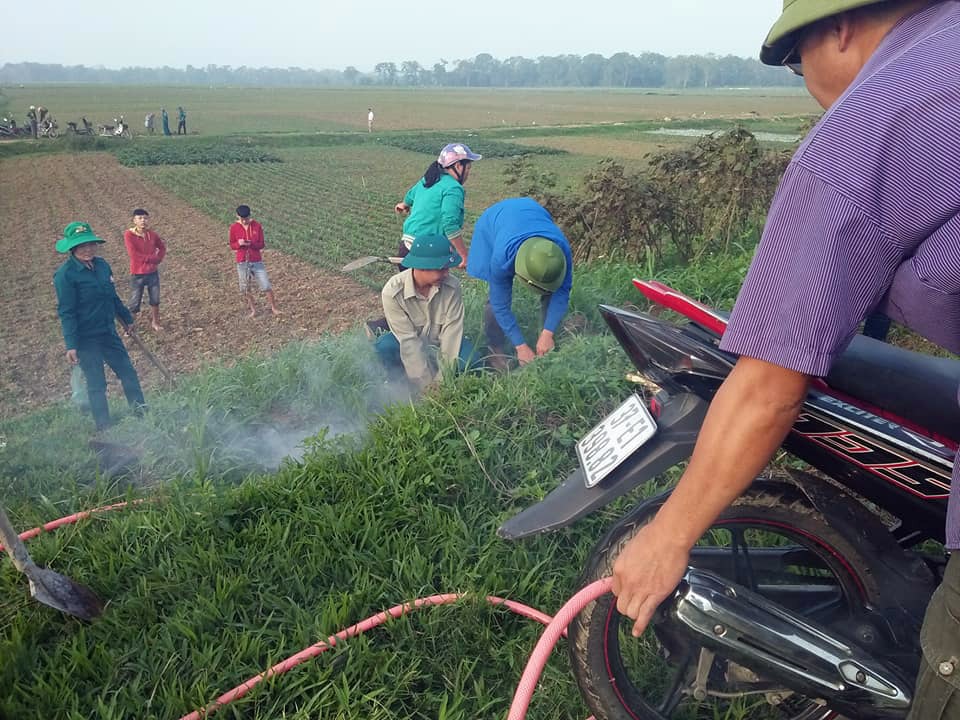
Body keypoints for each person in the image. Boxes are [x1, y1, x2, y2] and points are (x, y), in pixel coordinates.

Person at [609, 3, 960, 718]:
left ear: (837, 28)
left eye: (797, 64)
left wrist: (667, 538)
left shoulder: (863, 130)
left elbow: (770, 384)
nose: (807, 85)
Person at [53, 221, 146, 432]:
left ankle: (141, 413)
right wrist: (71, 344)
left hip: (108, 332)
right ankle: (104, 426)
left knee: (128, 373)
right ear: (72, 248)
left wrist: (127, 319)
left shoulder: (102, 266)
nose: (87, 249)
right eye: (82, 246)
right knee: (97, 384)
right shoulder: (65, 276)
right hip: (86, 338)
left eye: (90, 244)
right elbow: (66, 312)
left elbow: (112, 297)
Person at [466, 197, 573, 371]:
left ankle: (545, 343)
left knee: (551, 291)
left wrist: (548, 332)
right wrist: (520, 346)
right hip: (492, 223)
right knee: (494, 300)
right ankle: (496, 351)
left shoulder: (559, 251)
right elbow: (499, 305)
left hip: (531, 213)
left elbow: (562, 291)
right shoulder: (501, 257)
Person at [375, 234, 475, 390]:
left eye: (447, 268)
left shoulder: (452, 286)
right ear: (421, 266)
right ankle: (400, 385)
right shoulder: (393, 292)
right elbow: (408, 341)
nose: (447, 274)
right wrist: (425, 385)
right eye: (441, 269)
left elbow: (452, 333)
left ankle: (454, 385)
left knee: (471, 360)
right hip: (412, 341)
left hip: (440, 343)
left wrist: (441, 382)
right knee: (385, 346)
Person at [393, 142, 481, 270]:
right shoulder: (453, 188)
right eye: (468, 168)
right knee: (438, 287)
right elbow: (450, 224)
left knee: (409, 288)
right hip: (427, 251)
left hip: (406, 247)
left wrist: (404, 205)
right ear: (458, 166)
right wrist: (464, 255)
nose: (468, 173)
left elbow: (410, 195)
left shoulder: (430, 179)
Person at [229, 204, 281, 317]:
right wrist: (239, 243)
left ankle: (274, 308)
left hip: (256, 260)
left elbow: (262, 244)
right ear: (237, 216)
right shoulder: (234, 228)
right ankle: (253, 310)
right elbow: (232, 245)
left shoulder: (257, 226)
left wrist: (251, 243)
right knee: (246, 288)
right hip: (242, 261)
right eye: (242, 219)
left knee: (266, 286)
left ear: (250, 216)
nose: (244, 221)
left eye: (246, 219)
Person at [123, 208, 167, 332]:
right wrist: (152, 259)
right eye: (140, 218)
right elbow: (133, 255)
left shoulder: (152, 234)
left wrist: (159, 259)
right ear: (134, 220)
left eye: (145, 218)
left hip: (152, 272)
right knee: (135, 301)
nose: (143, 221)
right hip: (137, 274)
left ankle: (155, 322)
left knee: (155, 299)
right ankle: (130, 327)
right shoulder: (129, 235)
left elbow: (162, 247)